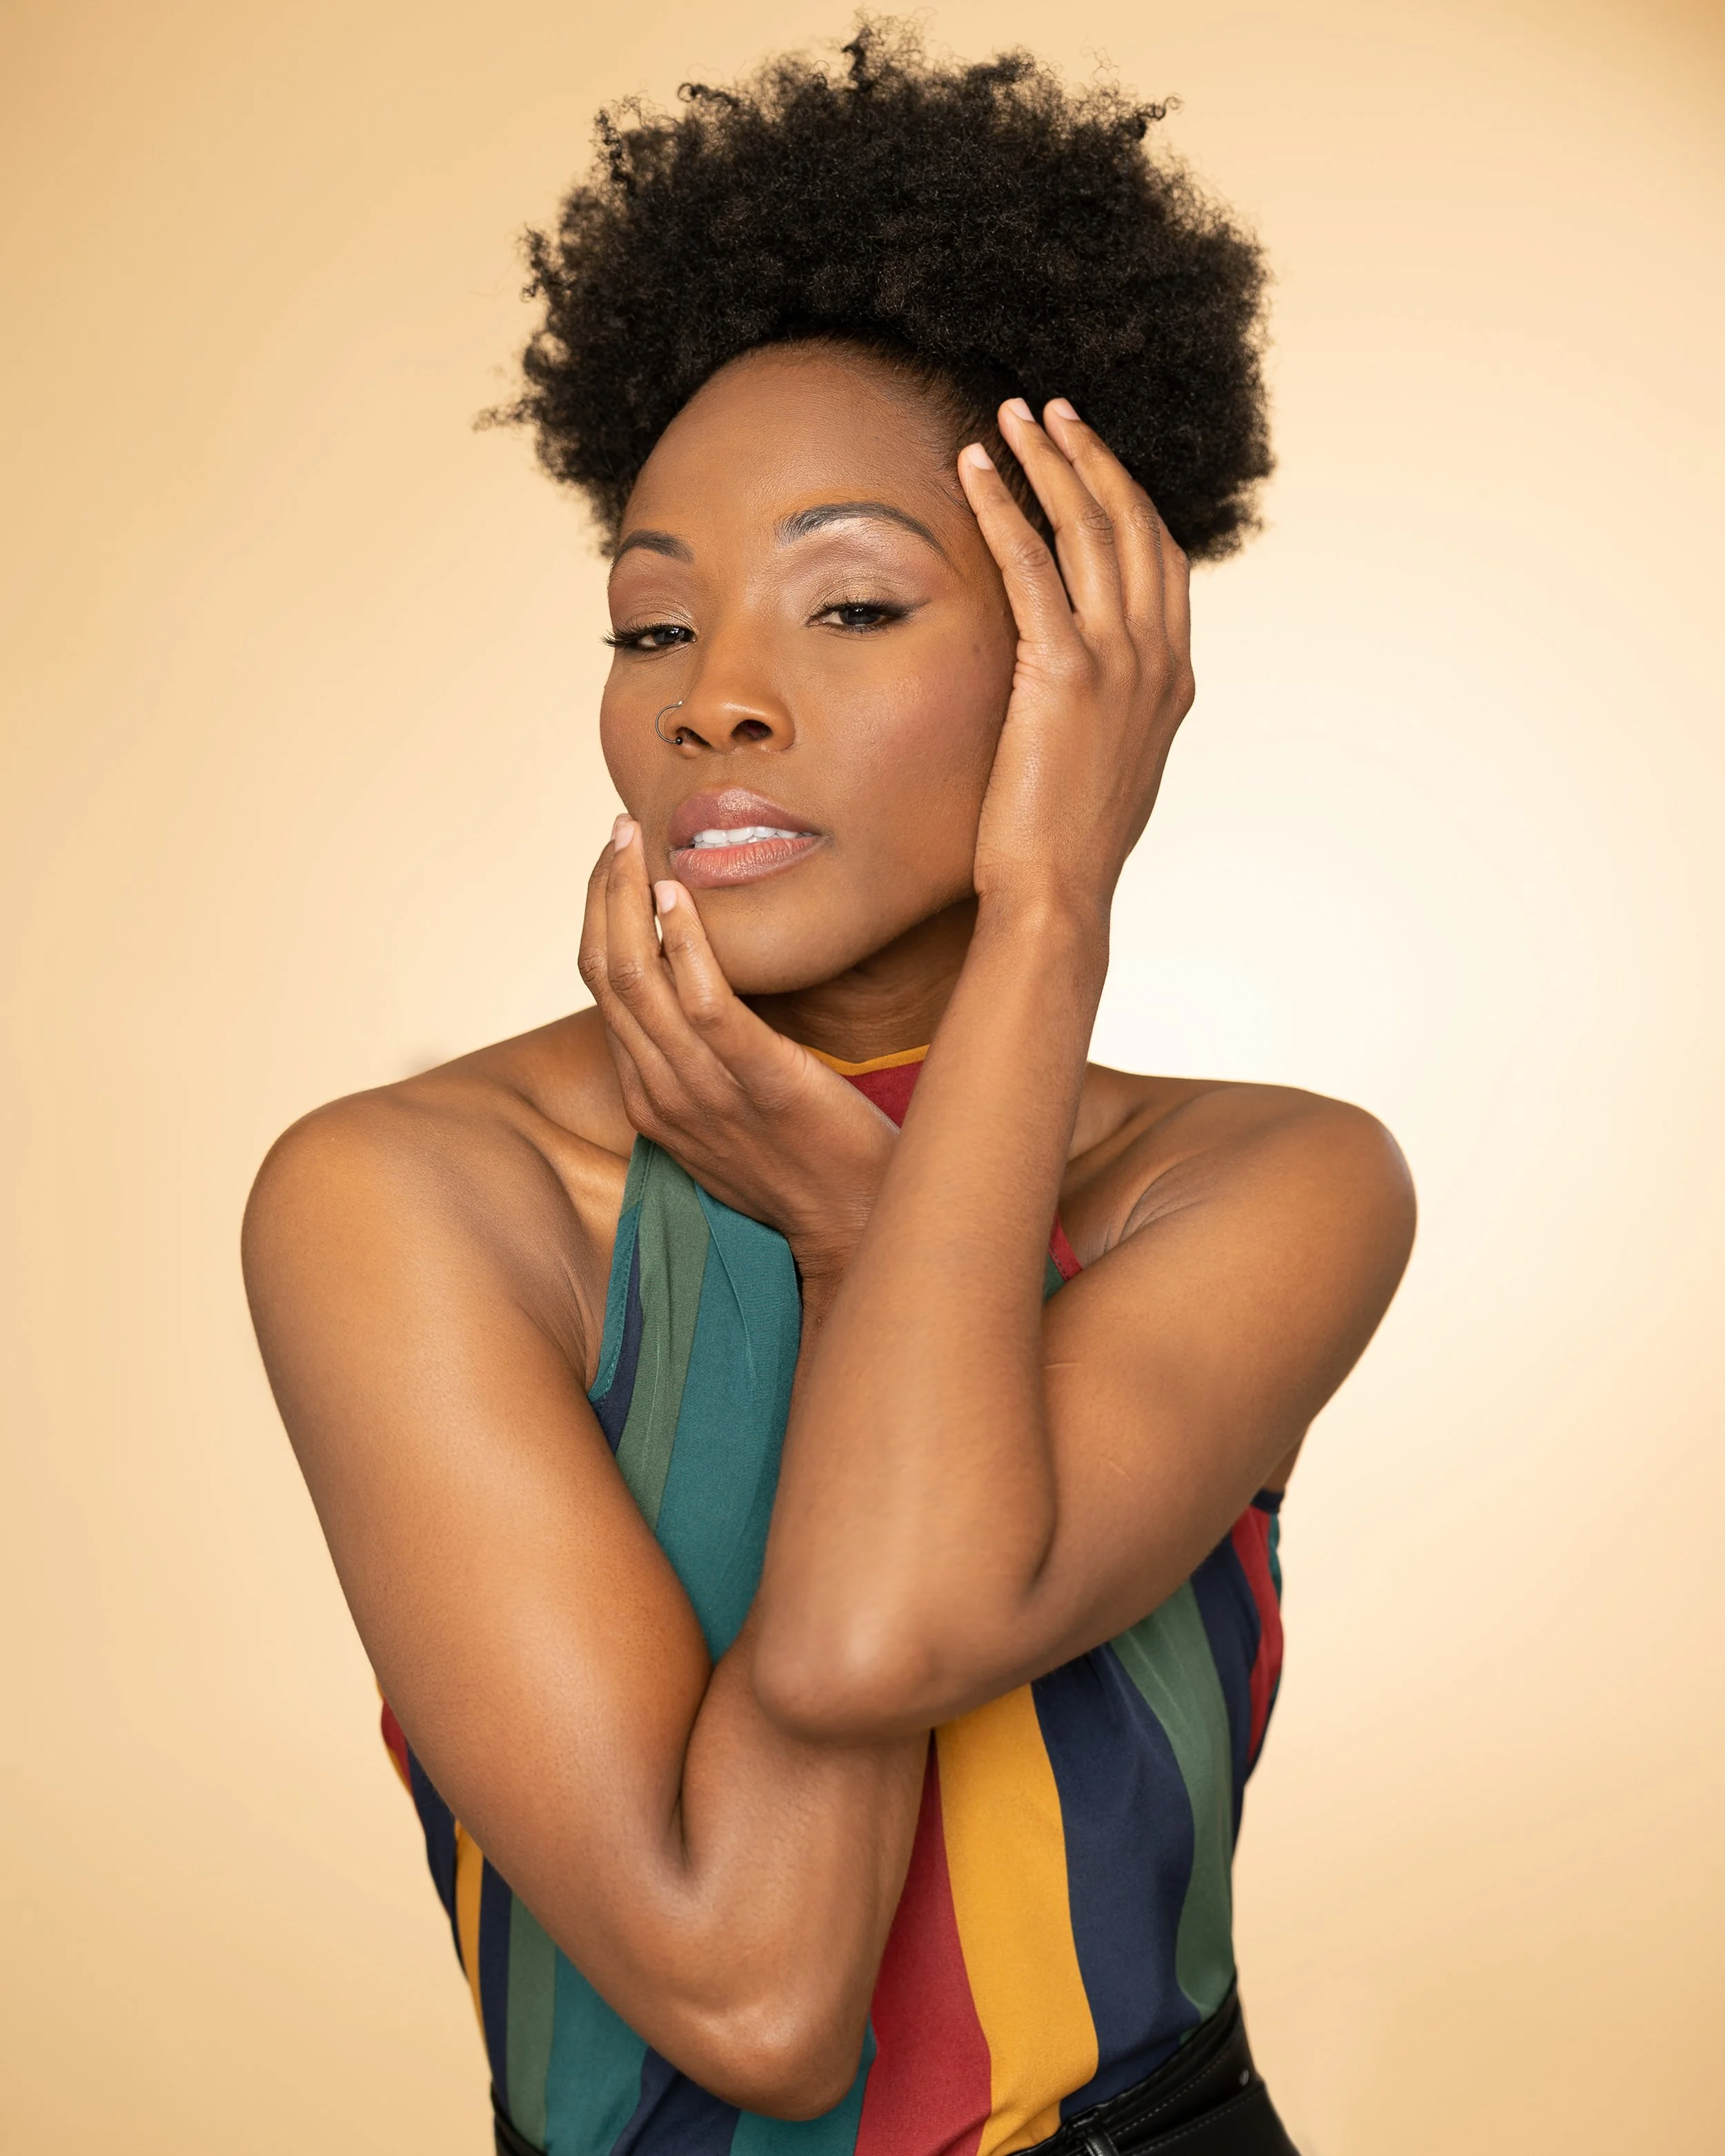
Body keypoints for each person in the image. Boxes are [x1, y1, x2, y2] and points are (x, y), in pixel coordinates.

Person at [243, 25, 1415, 2156]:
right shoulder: (411, 1197)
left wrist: (1041, 924)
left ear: (1087, 662)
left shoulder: (1256, 1182)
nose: (720, 705)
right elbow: (758, 1998)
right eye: (650, 626)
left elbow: (893, 1622)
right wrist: (851, 1237)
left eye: (852, 600)